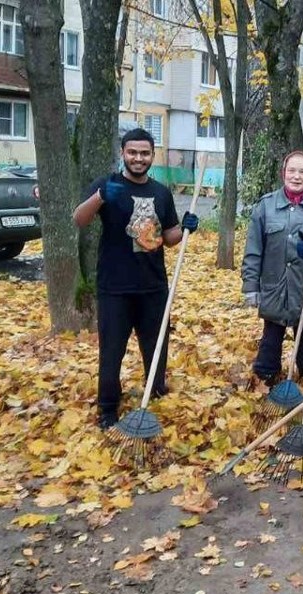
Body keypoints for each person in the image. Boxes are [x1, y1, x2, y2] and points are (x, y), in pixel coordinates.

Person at [73, 128, 199, 430]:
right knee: (112, 349)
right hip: (115, 286)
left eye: (144, 153)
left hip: (153, 286)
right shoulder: (107, 185)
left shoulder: (160, 192)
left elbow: (167, 238)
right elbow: (79, 219)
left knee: (156, 347)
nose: (138, 158)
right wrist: (100, 198)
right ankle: (107, 409)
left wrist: (185, 228)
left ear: (152, 156)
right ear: (123, 153)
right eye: (133, 152)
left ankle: (155, 394)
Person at [242, 151, 303, 384]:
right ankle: (266, 379)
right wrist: (250, 286)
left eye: (302, 171)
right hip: (274, 287)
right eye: (292, 171)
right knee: (271, 339)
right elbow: (253, 249)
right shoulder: (266, 207)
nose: (296, 176)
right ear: (283, 173)